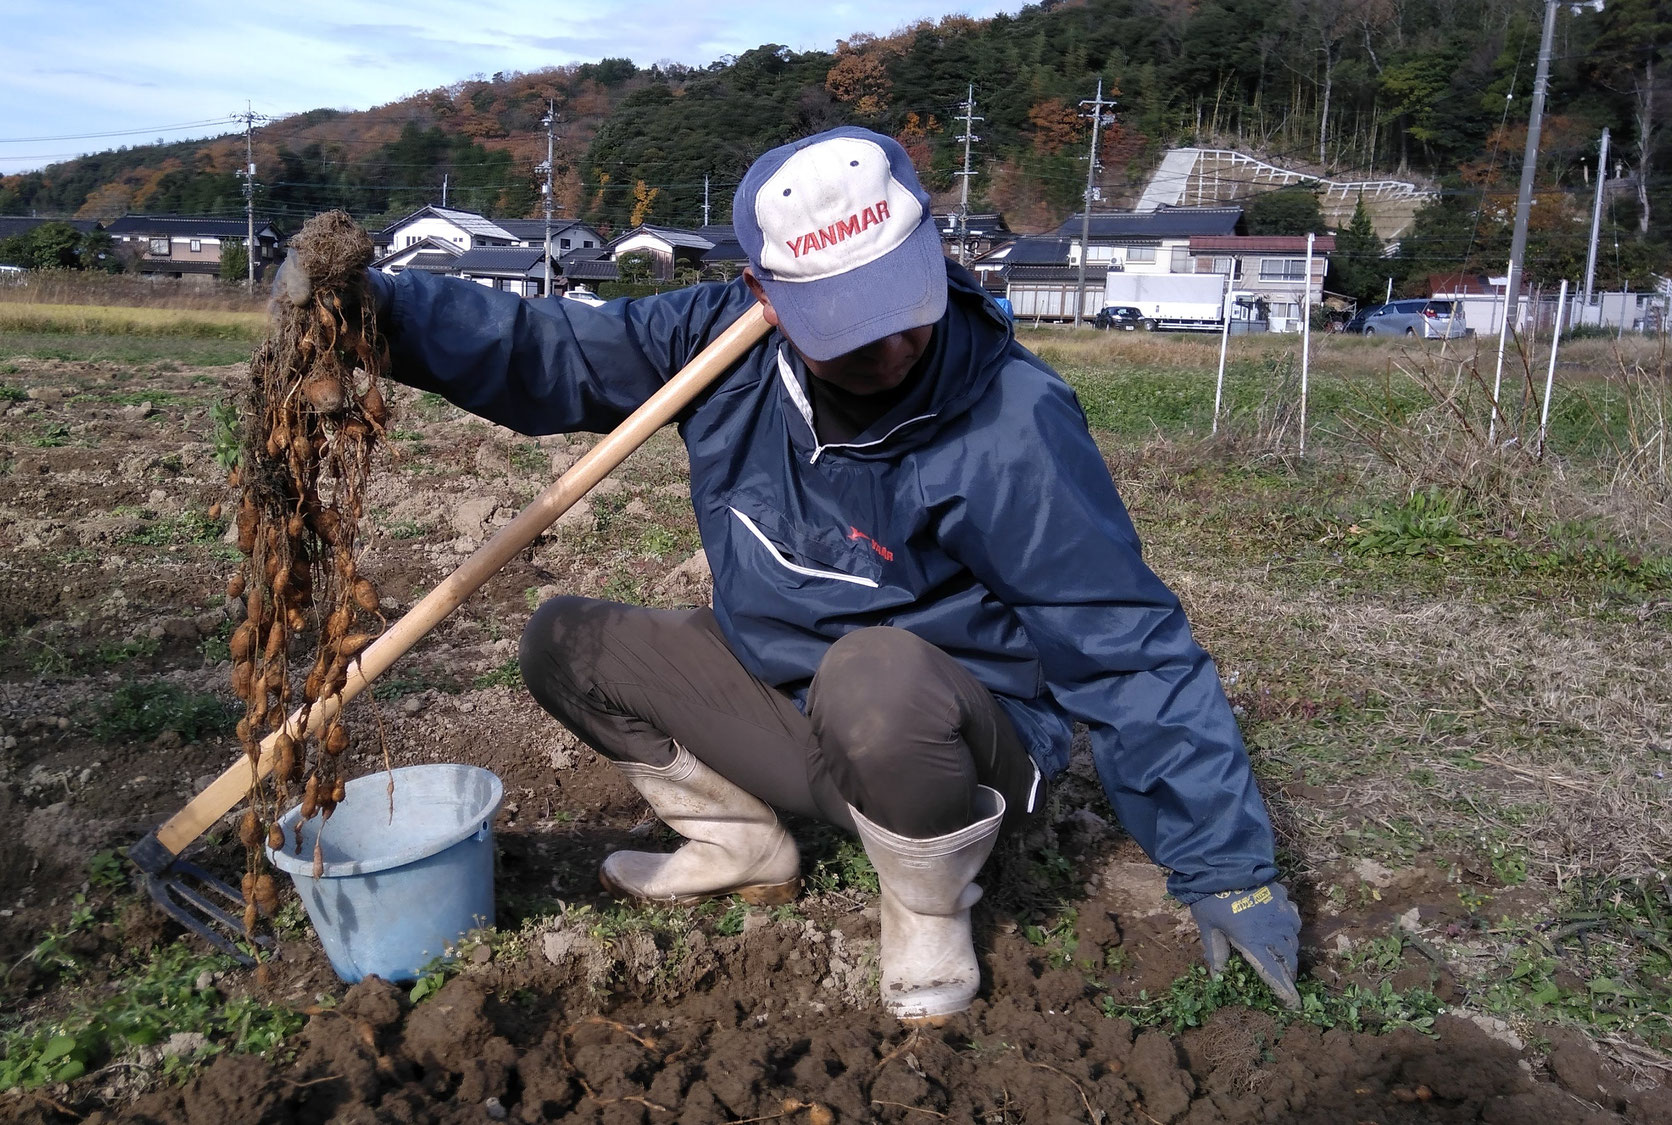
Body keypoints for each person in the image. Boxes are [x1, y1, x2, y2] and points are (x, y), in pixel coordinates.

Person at [303, 126, 1300, 1022]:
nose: (891, 344)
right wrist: (369, 309)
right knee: (566, 641)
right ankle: (737, 841)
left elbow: (1123, 646)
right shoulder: (712, 346)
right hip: (797, 713)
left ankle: (927, 901)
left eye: (900, 304)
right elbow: (545, 350)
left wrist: (1228, 869)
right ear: (764, 299)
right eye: (845, 326)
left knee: (874, 678)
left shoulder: (1009, 422)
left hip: (956, 742)